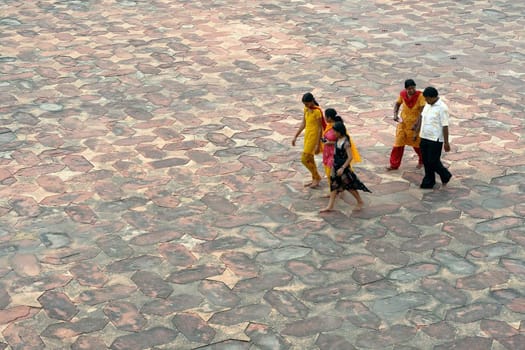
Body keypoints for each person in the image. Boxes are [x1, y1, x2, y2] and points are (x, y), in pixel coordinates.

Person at [320, 121, 371, 212]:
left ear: (340, 132)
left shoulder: (346, 142)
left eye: (335, 131)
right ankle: (330, 206)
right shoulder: (337, 140)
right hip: (335, 166)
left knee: (349, 186)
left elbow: (350, 157)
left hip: (343, 168)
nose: (334, 133)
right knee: (334, 185)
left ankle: (360, 201)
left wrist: (343, 168)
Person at [414, 86, 452, 189]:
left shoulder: (442, 108)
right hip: (424, 136)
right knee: (426, 161)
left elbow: (445, 126)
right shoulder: (427, 105)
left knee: (433, 161)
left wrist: (446, 142)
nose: (425, 100)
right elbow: (422, 117)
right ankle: (429, 181)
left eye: (427, 98)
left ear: (432, 97)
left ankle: (445, 175)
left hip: (435, 139)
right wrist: (416, 132)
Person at [386, 79, 426, 170]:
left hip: (415, 126)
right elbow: (397, 104)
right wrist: (395, 114)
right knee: (398, 144)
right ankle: (394, 165)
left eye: (413, 88)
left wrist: (416, 126)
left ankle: (422, 160)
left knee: (417, 145)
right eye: (409, 89)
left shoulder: (421, 96)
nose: (411, 90)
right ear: (406, 89)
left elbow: (422, 112)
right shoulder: (402, 94)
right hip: (403, 124)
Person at [292, 93, 324, 188]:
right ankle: (314, 178)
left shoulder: (317, 111)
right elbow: (303, 123)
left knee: (304, 159)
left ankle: (317, 177)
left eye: (307, 104)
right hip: (307, 135)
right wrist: (295, 136)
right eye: (304, 104)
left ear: (312, 101)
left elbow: (320, 128)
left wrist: (318, 144)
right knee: (310, 158)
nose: (306, 106)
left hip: (314, 138)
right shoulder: (306, 109)